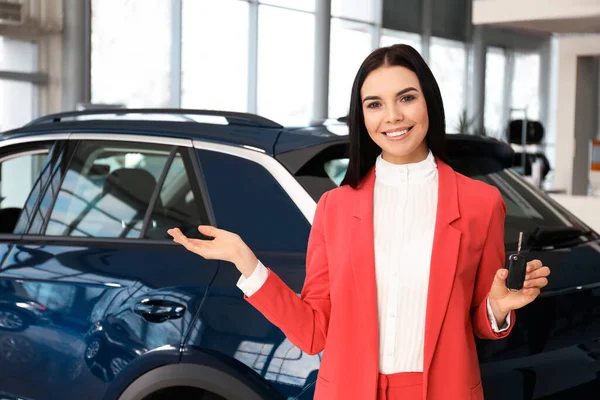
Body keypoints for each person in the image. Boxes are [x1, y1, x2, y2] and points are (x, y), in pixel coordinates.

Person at [167, 44, 551, 400]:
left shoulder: (480, 203)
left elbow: (481, 323)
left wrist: (498, 308)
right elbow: (314, 333)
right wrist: (244, 261)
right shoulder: (334, 208)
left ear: (428, 102)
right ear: (362, 115)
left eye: (406, 98)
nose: (393, 116)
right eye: (375, 104)